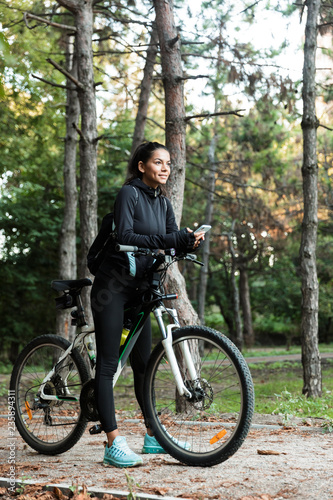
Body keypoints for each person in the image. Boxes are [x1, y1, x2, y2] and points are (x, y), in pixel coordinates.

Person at [90, 141, 205, 468]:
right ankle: (112, 444)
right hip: (113, 288)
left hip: (142, 288)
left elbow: (167, 243)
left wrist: (185, 242)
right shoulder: (130, 194)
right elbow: (126, 236)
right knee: (109, 364)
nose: (166, 168)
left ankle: (154, 437)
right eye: (158, 162)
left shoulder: (164, 202)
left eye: (168, 163)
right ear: (142, 166)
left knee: (143, 367)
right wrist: (170, 240)